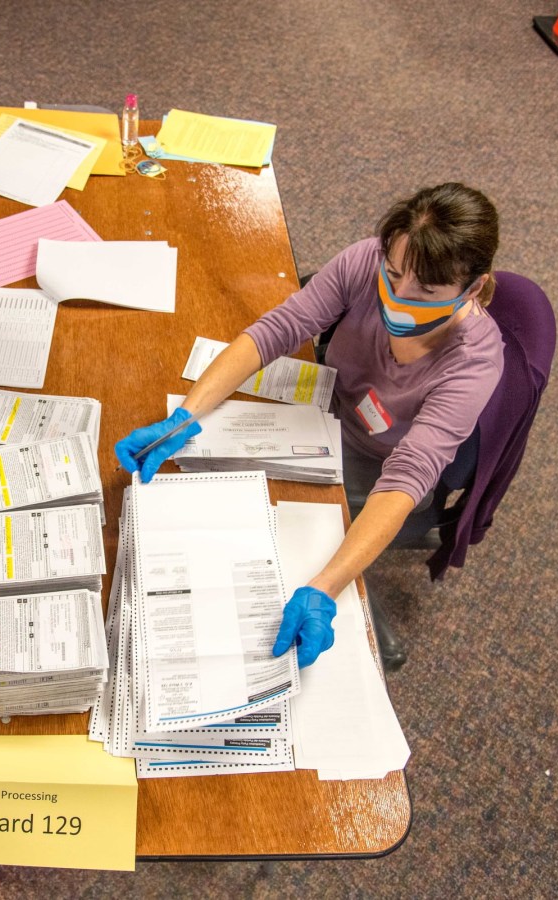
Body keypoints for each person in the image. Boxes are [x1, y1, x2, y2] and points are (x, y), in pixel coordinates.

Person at [116, 183, 505, 668]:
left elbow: (409, 474)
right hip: (321, 416)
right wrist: (186, 415)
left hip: (380, 463)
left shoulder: (474, 362)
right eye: (395, 273)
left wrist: (326, 587)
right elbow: (279, 329)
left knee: (251, 512)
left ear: (473, 288)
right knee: (207, 477)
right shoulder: (366, 262)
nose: (399, 298)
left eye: (426, 290)